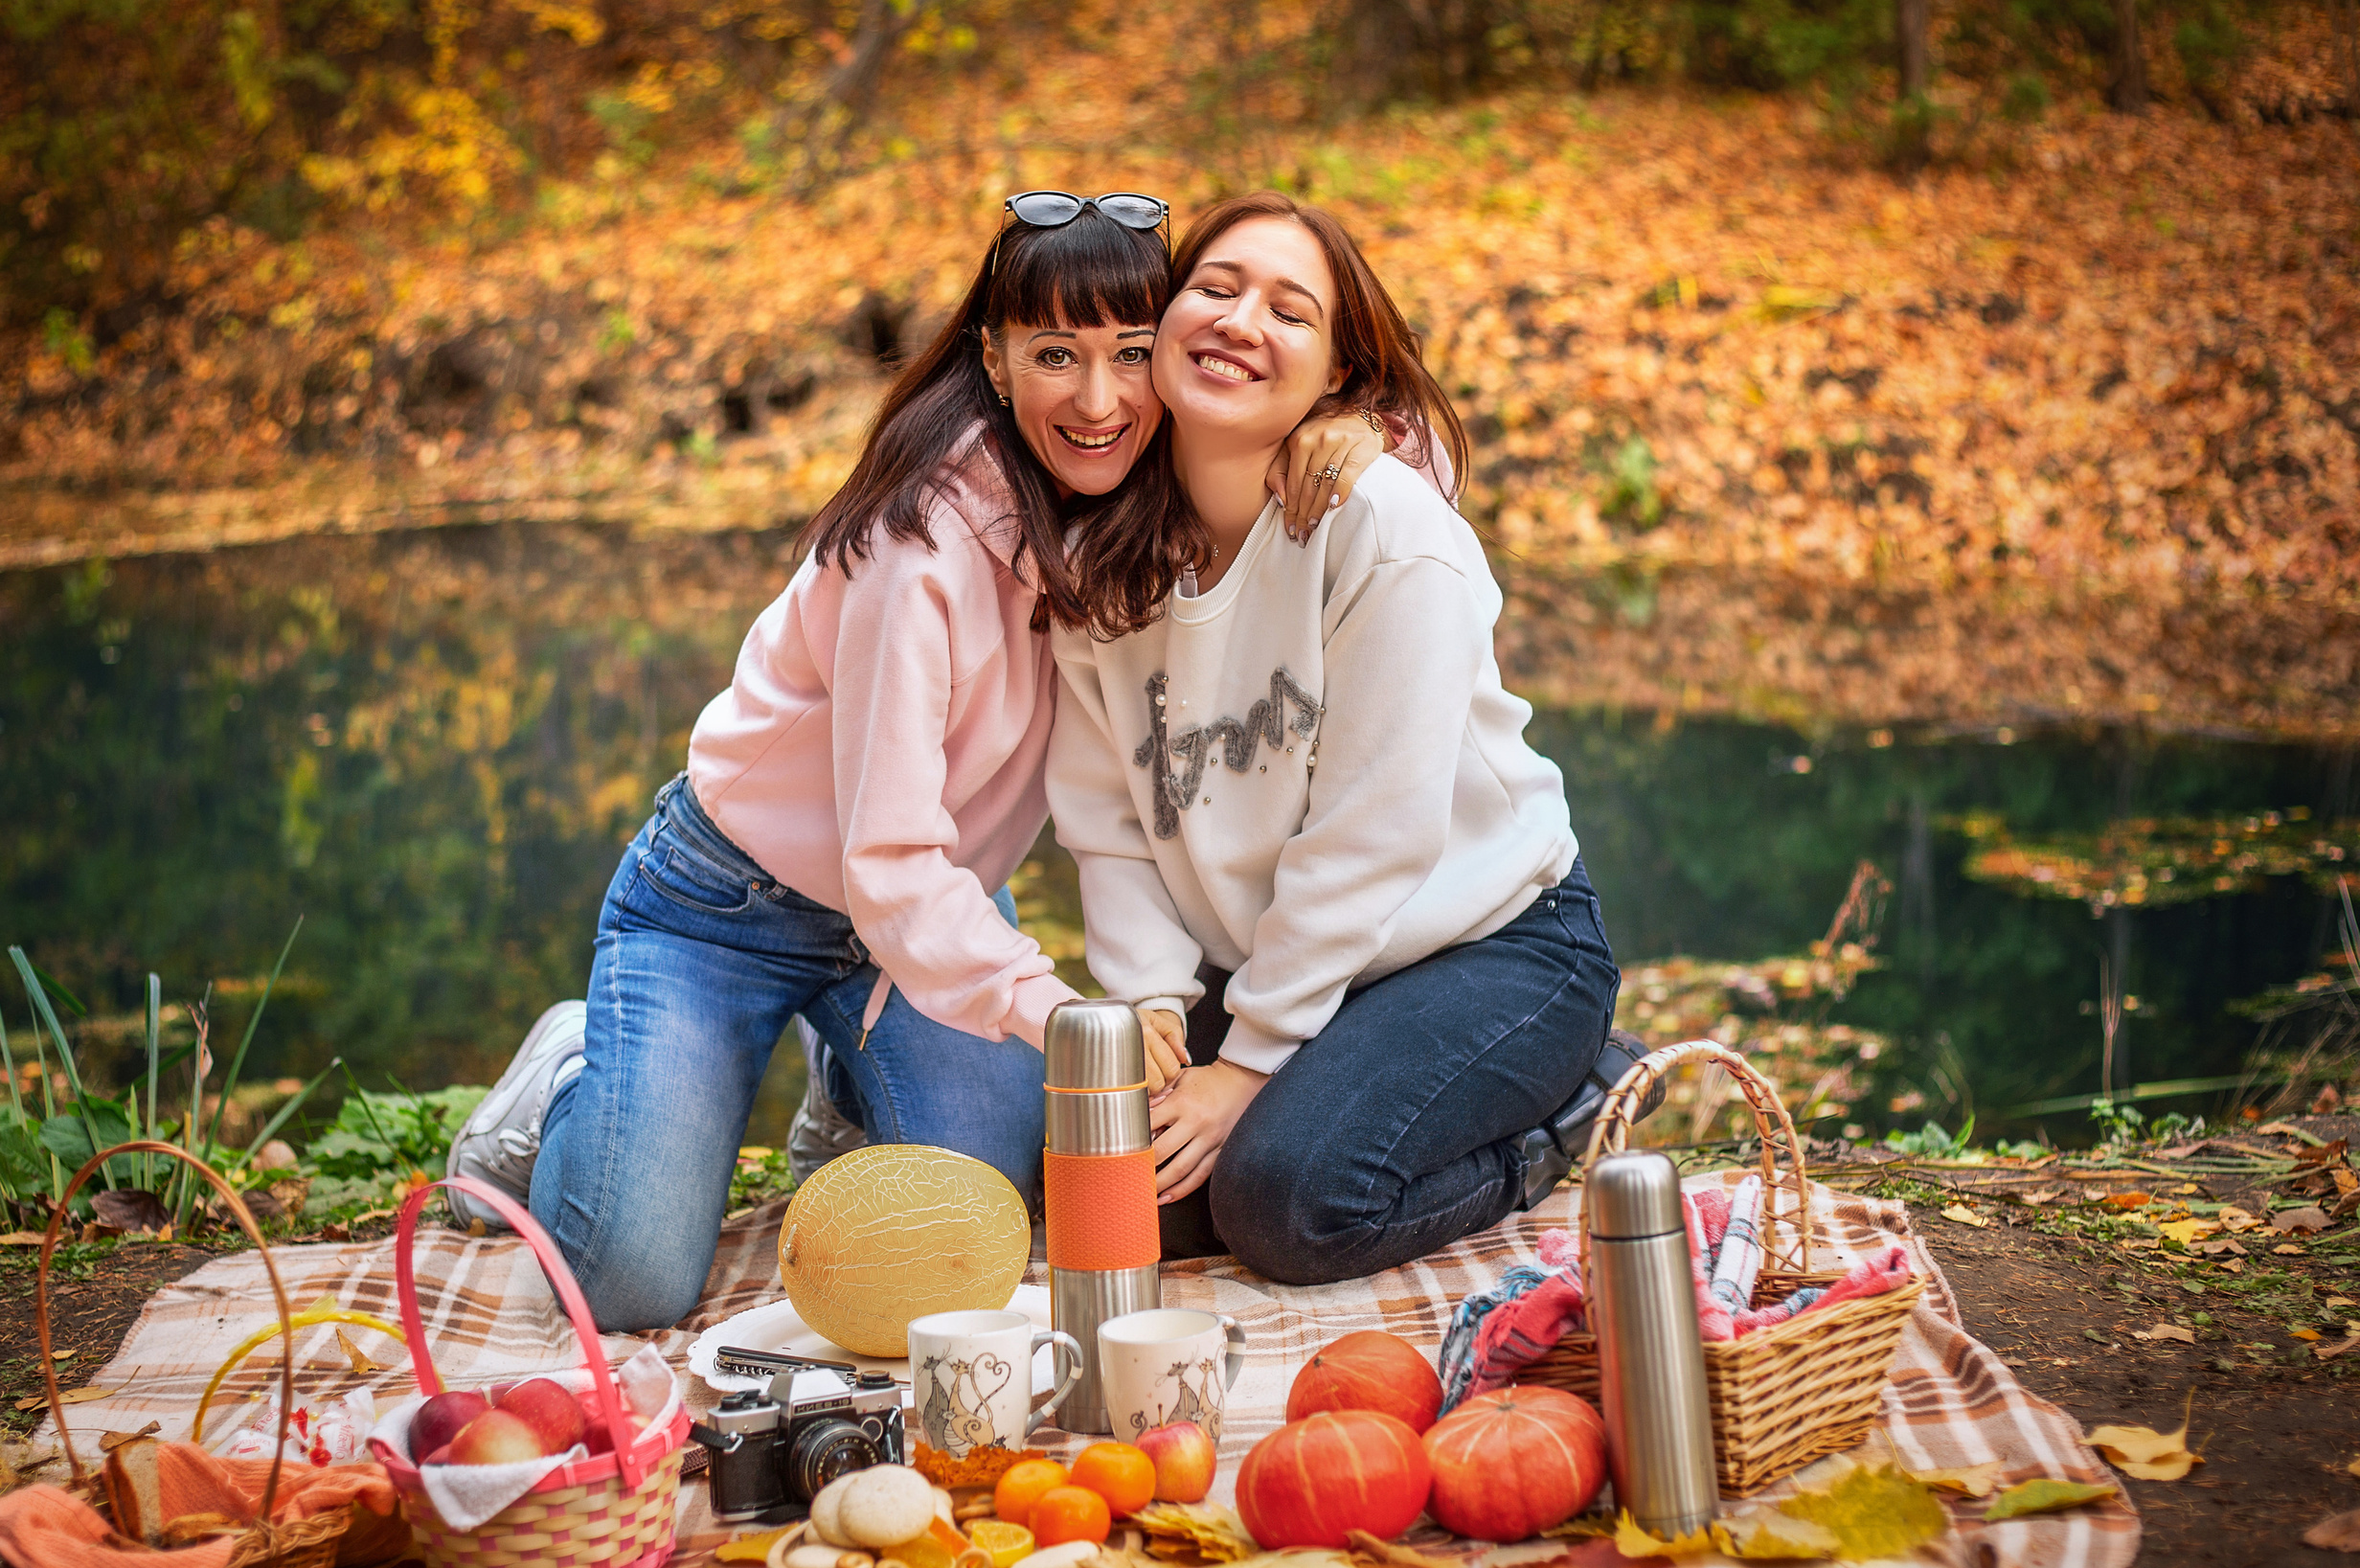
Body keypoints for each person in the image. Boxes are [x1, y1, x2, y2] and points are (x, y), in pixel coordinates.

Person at [448, 193, 1396, 1332]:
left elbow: (1367, 466)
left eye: (1131, 355)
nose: (1097, 400)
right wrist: (1056, 1012)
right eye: (1055, 354)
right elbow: (885, 860)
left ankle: (846, 1084)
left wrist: (1356, 432)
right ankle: (565, 1081)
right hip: (727, 903)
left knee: (986, 1205)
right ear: (993, 361)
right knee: (625, 1280)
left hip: (925, 917)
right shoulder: (921, 540)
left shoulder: (1141, 483)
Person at [1046, 192, 1625, 1286]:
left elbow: (1373, 834)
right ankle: (1298, 1082)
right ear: (1159, 325)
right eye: (1212, 289)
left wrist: (1250, 1063)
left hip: (1487, 946)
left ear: (1339, 381)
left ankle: (1574, 1105)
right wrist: (1154, 1011)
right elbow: (1108, 826)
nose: (1238, 320)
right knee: (1127, 1193)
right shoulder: (1098, 561)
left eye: (1289, 311)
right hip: (1299, 963)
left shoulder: (1384, 532)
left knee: (1285, 1205)